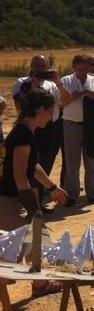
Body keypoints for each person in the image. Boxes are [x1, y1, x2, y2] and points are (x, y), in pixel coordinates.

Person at [0, 89, 68, 219]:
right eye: (50, 112)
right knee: (28, 237)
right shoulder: (23, 134)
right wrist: (32, 207)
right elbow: (19, 174)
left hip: (13, 198)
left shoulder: (27, 131)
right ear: (40, 109)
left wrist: (53, 188)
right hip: (9, 200)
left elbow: (33, 165)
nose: (50, 118)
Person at [11, 55, 68, 185]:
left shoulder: (51, 84)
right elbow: (19, 105)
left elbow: (64, 102)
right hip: (30, 127)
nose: (40, 69)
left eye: (43, 66)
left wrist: (58, 82)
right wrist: (32, 88)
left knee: (46, 159)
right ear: (31, 66)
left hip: (50, 127)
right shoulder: (22, 82)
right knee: (30, 160)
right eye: (37, 65)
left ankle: (40, 190)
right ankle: (28, 189)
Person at [61, 55, 94, 205]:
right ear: (73, 67)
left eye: (85, 68)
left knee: (92, 160)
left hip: (91, 126)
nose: (83, 71)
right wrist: (72, 98)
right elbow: (59, 104)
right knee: (72, 162)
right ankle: (71, 195)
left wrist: (93, 95)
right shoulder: (65, 81)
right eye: (80, 68)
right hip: (71, 125)